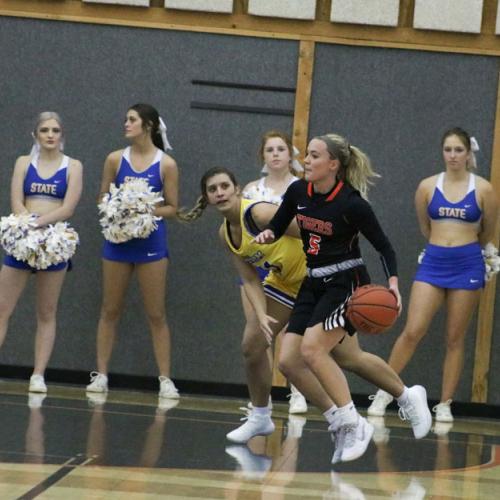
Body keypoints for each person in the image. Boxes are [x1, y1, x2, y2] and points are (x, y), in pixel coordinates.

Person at [180, 165, 430, 463]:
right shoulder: (226, 234)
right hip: (284, 285)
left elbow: (312, 227)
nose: (219, 193)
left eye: (224, 186)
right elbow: (249, 278)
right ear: (207, 198)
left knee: (347, 357)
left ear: (237, 189)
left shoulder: (259, 214)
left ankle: (402, 396)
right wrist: (260, 315)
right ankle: (263, 416)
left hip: (319, 281)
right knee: (253, 345)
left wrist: (334, 272)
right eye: (212, 190)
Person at [254, 133, 432, 462]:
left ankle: (353, 422)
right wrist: (268, 233)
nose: (306, 160)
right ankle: (404, 397)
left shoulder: (351, 203)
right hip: (314, 281)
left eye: (314, 156)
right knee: (292, 361)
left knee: (312, 349)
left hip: (346, 281)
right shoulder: (297, 192)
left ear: (333, 164)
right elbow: (279, 225)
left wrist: (393, 283)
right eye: (306, 155)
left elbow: (384, 246)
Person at [367, 127, 499, 423]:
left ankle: (445, 404)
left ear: (468, 153)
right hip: (434, 262)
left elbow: (488, 230)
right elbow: (425, 226)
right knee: (413, 330)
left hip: (467, 264)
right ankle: (385, 393)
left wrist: (469, 251)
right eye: (448, 149)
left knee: (455, 337)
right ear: (443, 152)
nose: (453, 155)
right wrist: (441, 245)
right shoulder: (427, 186)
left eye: (458, 150)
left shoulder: (484, 189)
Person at [86, 103, 179, 399]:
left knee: (156, 313)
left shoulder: (166, 164)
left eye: (131, 120)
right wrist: (118, 207)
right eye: (126, 119)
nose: (125, 124)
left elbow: (173, 208)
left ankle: (165, 379)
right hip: (117, 241)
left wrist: (143, 207)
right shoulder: (115, 159)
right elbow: (101, 196)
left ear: (148, 125)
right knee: (110, 309)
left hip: (151, 244)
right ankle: (101, 375)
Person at [0, 112, 83, 393]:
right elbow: (16, 200)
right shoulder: (24, 163)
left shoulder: (73, 166)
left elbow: (68, 207)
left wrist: (42, 227)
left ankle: (38, 375)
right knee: (2, 307)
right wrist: (27, 227)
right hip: (23, 241)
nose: (50, 134)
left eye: (55, 130)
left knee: (46, 311)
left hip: (53, 243)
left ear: (62, 135)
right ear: (35, 135)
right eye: (44, 130)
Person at [242, 130, 307, 414]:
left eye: (281, 148)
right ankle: (262, 399)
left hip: (292, 269)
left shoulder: (302, 187)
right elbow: (241, 229)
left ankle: (298, 392)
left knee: (292, 336)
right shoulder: (251, 190)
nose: (276, 154)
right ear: (263, 156)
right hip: (258, 267)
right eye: (270, 150)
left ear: (290, 154)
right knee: (259, 334)